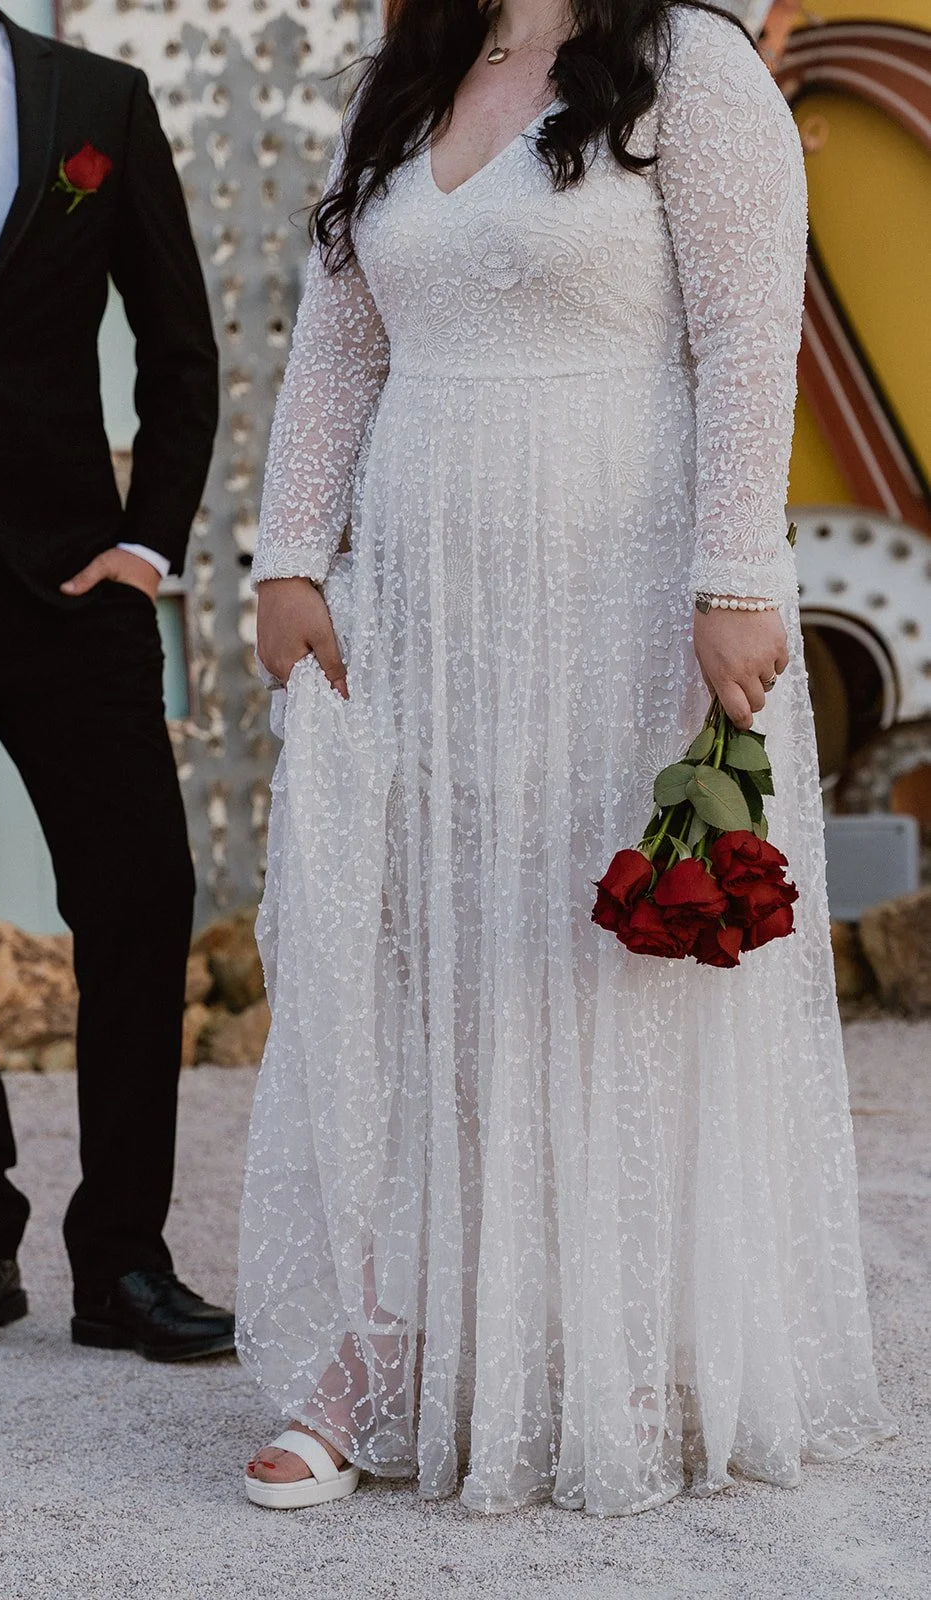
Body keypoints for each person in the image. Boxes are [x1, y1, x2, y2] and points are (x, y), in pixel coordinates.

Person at [238, 0, 896, 1514]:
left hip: (618, 589)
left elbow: (745, 335)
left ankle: (611, 1349)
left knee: (587, 962)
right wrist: (290, 554)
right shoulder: (405, 79)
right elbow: (340, 339)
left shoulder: (694, 66)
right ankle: (380, 1349)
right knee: (415, 961)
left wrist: (735, 575)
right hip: (419, 604)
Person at [0, 0, 234, 1364]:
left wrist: (147, 544)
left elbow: (180, 346)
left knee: (141, 897)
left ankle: (124, 1259)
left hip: (74, 583)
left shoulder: (100, 100)